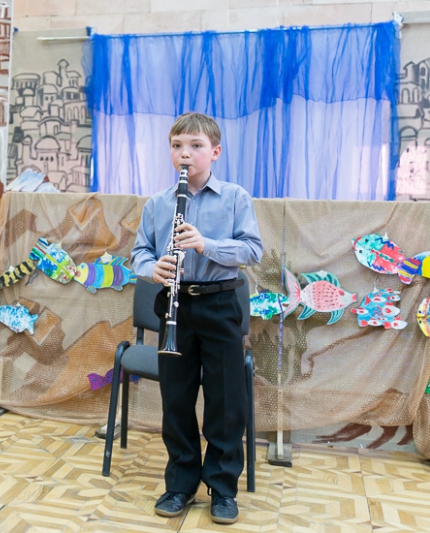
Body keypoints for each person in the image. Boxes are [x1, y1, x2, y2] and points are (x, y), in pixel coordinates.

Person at [131, 112, 263, 525]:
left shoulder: (235, 197)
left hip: (220, 305)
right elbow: (139, 253)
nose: (184, 154)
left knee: (226, 403)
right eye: (176, 146)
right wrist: (151, 268)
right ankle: (180, 484)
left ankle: (222, 489)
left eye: (195, 146)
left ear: (215, 152)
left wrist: (206, 245)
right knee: (176, 400)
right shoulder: (158, 204)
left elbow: (252, 251)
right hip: (176, 307)